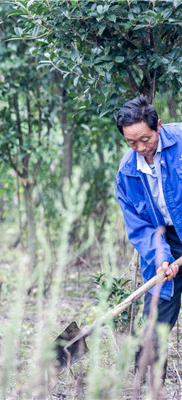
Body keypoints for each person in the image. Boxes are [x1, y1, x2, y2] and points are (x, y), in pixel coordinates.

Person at [115, 95, 182, 381]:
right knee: (156, 314)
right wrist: (161, 258)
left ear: (159, 126)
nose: (141, 148)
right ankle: (149, 387)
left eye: (145, 139)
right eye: (132, 143)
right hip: (163, 240)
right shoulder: (127, 173)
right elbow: (140, 227)